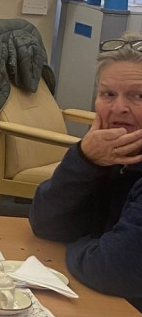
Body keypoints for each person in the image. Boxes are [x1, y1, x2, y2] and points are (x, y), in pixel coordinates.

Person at [30, 36, 142, 303]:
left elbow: (113, 269)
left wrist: (81, 243)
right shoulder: (109, 154)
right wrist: (85, 160)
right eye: (108, 94)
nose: (119, 108)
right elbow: (46, 224)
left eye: (138, 95)